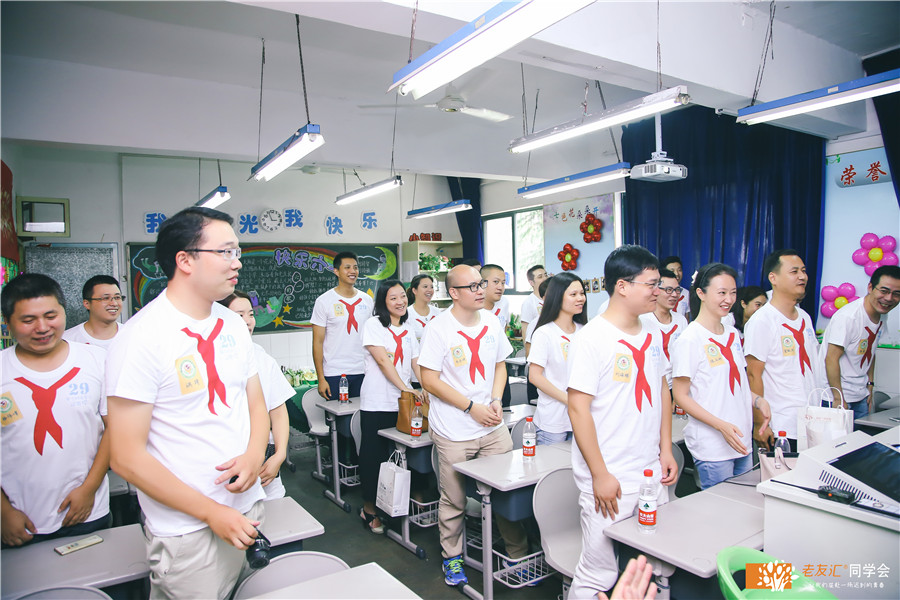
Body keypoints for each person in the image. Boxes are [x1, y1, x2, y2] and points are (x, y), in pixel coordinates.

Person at [106, 207, 269, 599]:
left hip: (247, 510)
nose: (237, 262)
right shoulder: (141, 337)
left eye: (237, 251)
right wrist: (211, 512)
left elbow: (256, 404)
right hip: (188, 530)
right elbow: (125, 457)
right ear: (185, 260)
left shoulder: (232, 324)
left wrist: (253, 455)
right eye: (225, 252)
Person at [567, 245, 678, 598]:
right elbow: (578, 409)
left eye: (659, 284)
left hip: (649, 471)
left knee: (657, 565)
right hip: (610, 475)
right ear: (622, 286)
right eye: (651, 284)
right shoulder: (591, 338)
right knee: (598, 573)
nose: (658, 291)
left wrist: (665, 449)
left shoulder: (651, 332)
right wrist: (600, 474)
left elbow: (661, 390)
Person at [418, 265, 529, 587]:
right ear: (454, 293)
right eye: (473, 286)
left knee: (506, 490)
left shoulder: (491, 321)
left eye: (482, 284)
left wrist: (494, 399)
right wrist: (470, 407)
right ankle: (452, 557)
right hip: (453, 429)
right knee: (454, 499)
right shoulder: (439, 328)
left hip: (491, 425)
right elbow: (429, 379)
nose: (481, 290)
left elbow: (499, 366)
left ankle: (519, 554)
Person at [1, 273, 111, 547]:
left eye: (51, 316)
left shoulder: (96, 360)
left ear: (64, 311)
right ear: (7, 323)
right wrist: (3, 512)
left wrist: (89, 489)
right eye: (28, 320)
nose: (42, 327)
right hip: (18, 520)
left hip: (87, 511)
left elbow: (115, 430)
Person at [671, 263, 771, 489]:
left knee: (745, 503)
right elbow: (680, 396)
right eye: (722, 293)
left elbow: (735, 385)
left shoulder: (733, 334)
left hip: (741, 440)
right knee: (721, 507)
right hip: (713, 446)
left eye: (733, 293)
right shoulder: (690, 339)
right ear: (701, 293)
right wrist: (720, 426)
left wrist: (757, 400)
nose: (729, 299)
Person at [359, 280, 426, 534]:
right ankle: (369, 509)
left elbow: (416, 362)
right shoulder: (374, 325)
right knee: (374, 458)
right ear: (383, 302)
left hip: (404, 404)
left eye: (402, 296)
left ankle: (396, 506)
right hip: (378, 402)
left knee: (401, 457)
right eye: (393, 298)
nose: (400, 302)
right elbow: (383, 361)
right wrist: (405, 387)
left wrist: (425, 386)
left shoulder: (408, 329)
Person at [744, 249, 823, 452]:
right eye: (794, 271)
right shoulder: (762, 320)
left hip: (811, 419)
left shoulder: (804, 318)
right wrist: (760, 423)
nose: (802, 276)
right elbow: (753, 375)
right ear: (774, 278)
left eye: (803, 271)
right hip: (782, 424)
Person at [219, 290, 293, 501]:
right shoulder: (210, 359)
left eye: (250, 314)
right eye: (239, 315)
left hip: (265, 461)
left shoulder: (262, 358)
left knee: (274, 511)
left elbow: (278, 412)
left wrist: (280, 454)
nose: (247, 321)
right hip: (227, 460)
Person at [823, 265, 900, 419]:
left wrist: (870, 385)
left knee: (862, 434)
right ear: (870, 287)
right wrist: (838, 398)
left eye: (896, 294)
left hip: (860, 395)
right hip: (836, 396)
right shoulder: (848, 317)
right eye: (884, 291)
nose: (889, 298)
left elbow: (870, 350)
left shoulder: (882, 315)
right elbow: (831, 358)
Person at [528, 272, 586, 445]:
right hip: (553, 421)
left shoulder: (584, 330)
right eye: (573, 294)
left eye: (582, 293)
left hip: (581, 417)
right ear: (557, 297)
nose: (580, 298)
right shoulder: (544, 333)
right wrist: (569, 400)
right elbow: (535, 376)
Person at [311, 251, 373, 400]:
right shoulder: (324, 301)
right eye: (347, 267)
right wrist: (321, 378)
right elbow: (317, 342)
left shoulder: (367, 300)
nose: (353, 271)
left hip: (364, 370)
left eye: (355, 267)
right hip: (335, 373)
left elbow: (373, 337)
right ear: (336, 271)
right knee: (337, 414)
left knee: (362, 414)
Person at [640, 268, 688, 390]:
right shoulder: (643, 320)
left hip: (676, 386)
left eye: (677, 290)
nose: (674, 295)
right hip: (652, 387)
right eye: (669, 290)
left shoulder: (681, 321)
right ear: (656, 290)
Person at [63, 274, 123, 349]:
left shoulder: (132, 335)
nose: (114, 303)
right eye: (106, 298)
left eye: (117, 297)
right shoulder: (67, 340)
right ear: (87, 304)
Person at [406, 273, 441, 389]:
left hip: (436, 370)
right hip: (415, 373)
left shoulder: (438, 313)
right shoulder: (407, 314)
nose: (429, 290)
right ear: (414, 290)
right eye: (425, 287)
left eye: (431, 287)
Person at [520, 264, 549, 335]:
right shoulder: (528, 303)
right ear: (531, 283)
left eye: (546, 275)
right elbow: (525, 329)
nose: (545, 278)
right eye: (540, 277)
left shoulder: (554, 298)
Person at [661, 256, 690, 321]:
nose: (676, 274)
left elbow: (686, 318)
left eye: (679, 270)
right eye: (672, 270)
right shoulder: (659, 291)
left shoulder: (686, 293)